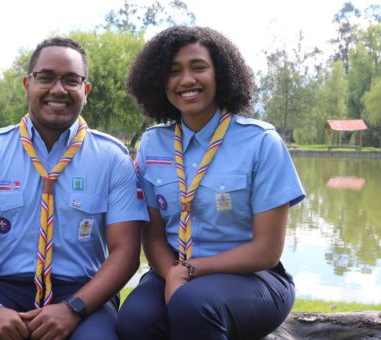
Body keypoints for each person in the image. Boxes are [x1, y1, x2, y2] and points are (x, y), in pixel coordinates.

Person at [0, 37, 148, 340]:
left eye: (71, 80)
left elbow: (126, 252)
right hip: (1, 288)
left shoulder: (113, 158)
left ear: (85, 91)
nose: (58, 89)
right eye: (45, 77)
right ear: (27, 84)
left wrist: (73, 308)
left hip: (82, 293)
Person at [116, 26, 305, 340]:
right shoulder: (153, 144)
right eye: (173, 71)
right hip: (172, 269)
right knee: (134, 320)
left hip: (254, 277)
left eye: (199, 67)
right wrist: (172, 273)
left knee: (194, 304)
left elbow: (267, 249)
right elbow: (153, 235)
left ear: (221, 74)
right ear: (159, 82)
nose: (187, 79)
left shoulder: (260, 142)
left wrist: (191, 271)